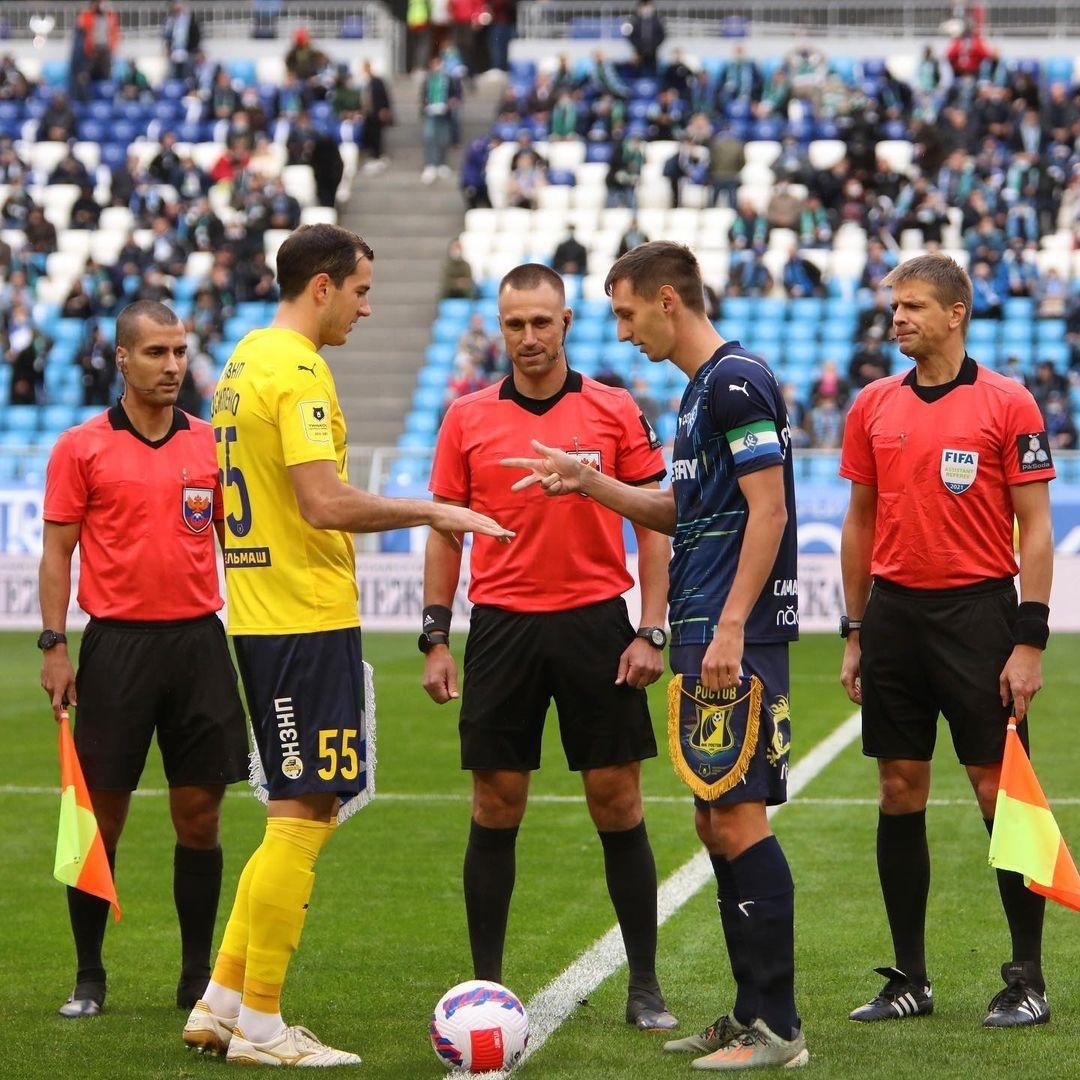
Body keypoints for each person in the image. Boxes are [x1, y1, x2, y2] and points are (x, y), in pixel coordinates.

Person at [182, 224, 511, 1066]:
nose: (368, 307)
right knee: (303, 813)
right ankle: (260, 1023)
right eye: (361, 290)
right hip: (298, 615)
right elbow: (324, 503)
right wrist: (434, 510)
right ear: (321, 286)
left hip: (265, 612)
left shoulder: (242, 361)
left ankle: (221, 1000)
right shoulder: (296, 371)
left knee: (298, 812)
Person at [502, 242, 806, 1070]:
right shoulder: (698, 393)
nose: (623, 330)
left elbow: (769, 511)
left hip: (731, 629)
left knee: (739, 816)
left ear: (667, 300)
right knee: (714, 817)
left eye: (626, 311)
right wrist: (588, 481)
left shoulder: (736, 382)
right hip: (707, 623)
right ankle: (749, 1013)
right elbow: (685, 510)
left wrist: (735, 624)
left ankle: (777, 1028)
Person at [422, 262, 677, 1033]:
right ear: (499, 329)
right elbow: (445, 529)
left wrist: (650, 626)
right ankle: (484, 992)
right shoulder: (466, 416)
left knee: (617, 801)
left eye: (542, 322)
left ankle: (645, 984)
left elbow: (656, 522)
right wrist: (437, 634)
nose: (528, 338)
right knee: (497, 804)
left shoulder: (611, 407)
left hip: (598, 624)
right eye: (514, 325)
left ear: (567, 323)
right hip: (501, 628)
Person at [838, 253, 1056, 1028]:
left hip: (980, 618)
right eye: (895, 306)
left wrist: (1028, 640)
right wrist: (856, 630)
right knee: (900, 788)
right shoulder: (871, 404)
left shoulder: (1009, 402)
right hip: (895, 617)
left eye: (915, 306)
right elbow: (859, 522)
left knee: (1000, 795)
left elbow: (1035, 529)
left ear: (956, 313)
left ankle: (1026, 979)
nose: (898, 318)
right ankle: (911, 979)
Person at [39, 300, 249, 1019]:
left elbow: (232, 546)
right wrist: (54, 644)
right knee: (101, 819)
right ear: (123, 359)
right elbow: (58, 552)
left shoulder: (210, 444)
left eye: (179, 352)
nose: (171, 365)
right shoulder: (80, 446)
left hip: (197, 642)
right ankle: (89, 977)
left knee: (201, 817)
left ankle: (195, 979)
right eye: (156, 352)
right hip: (116, 646)